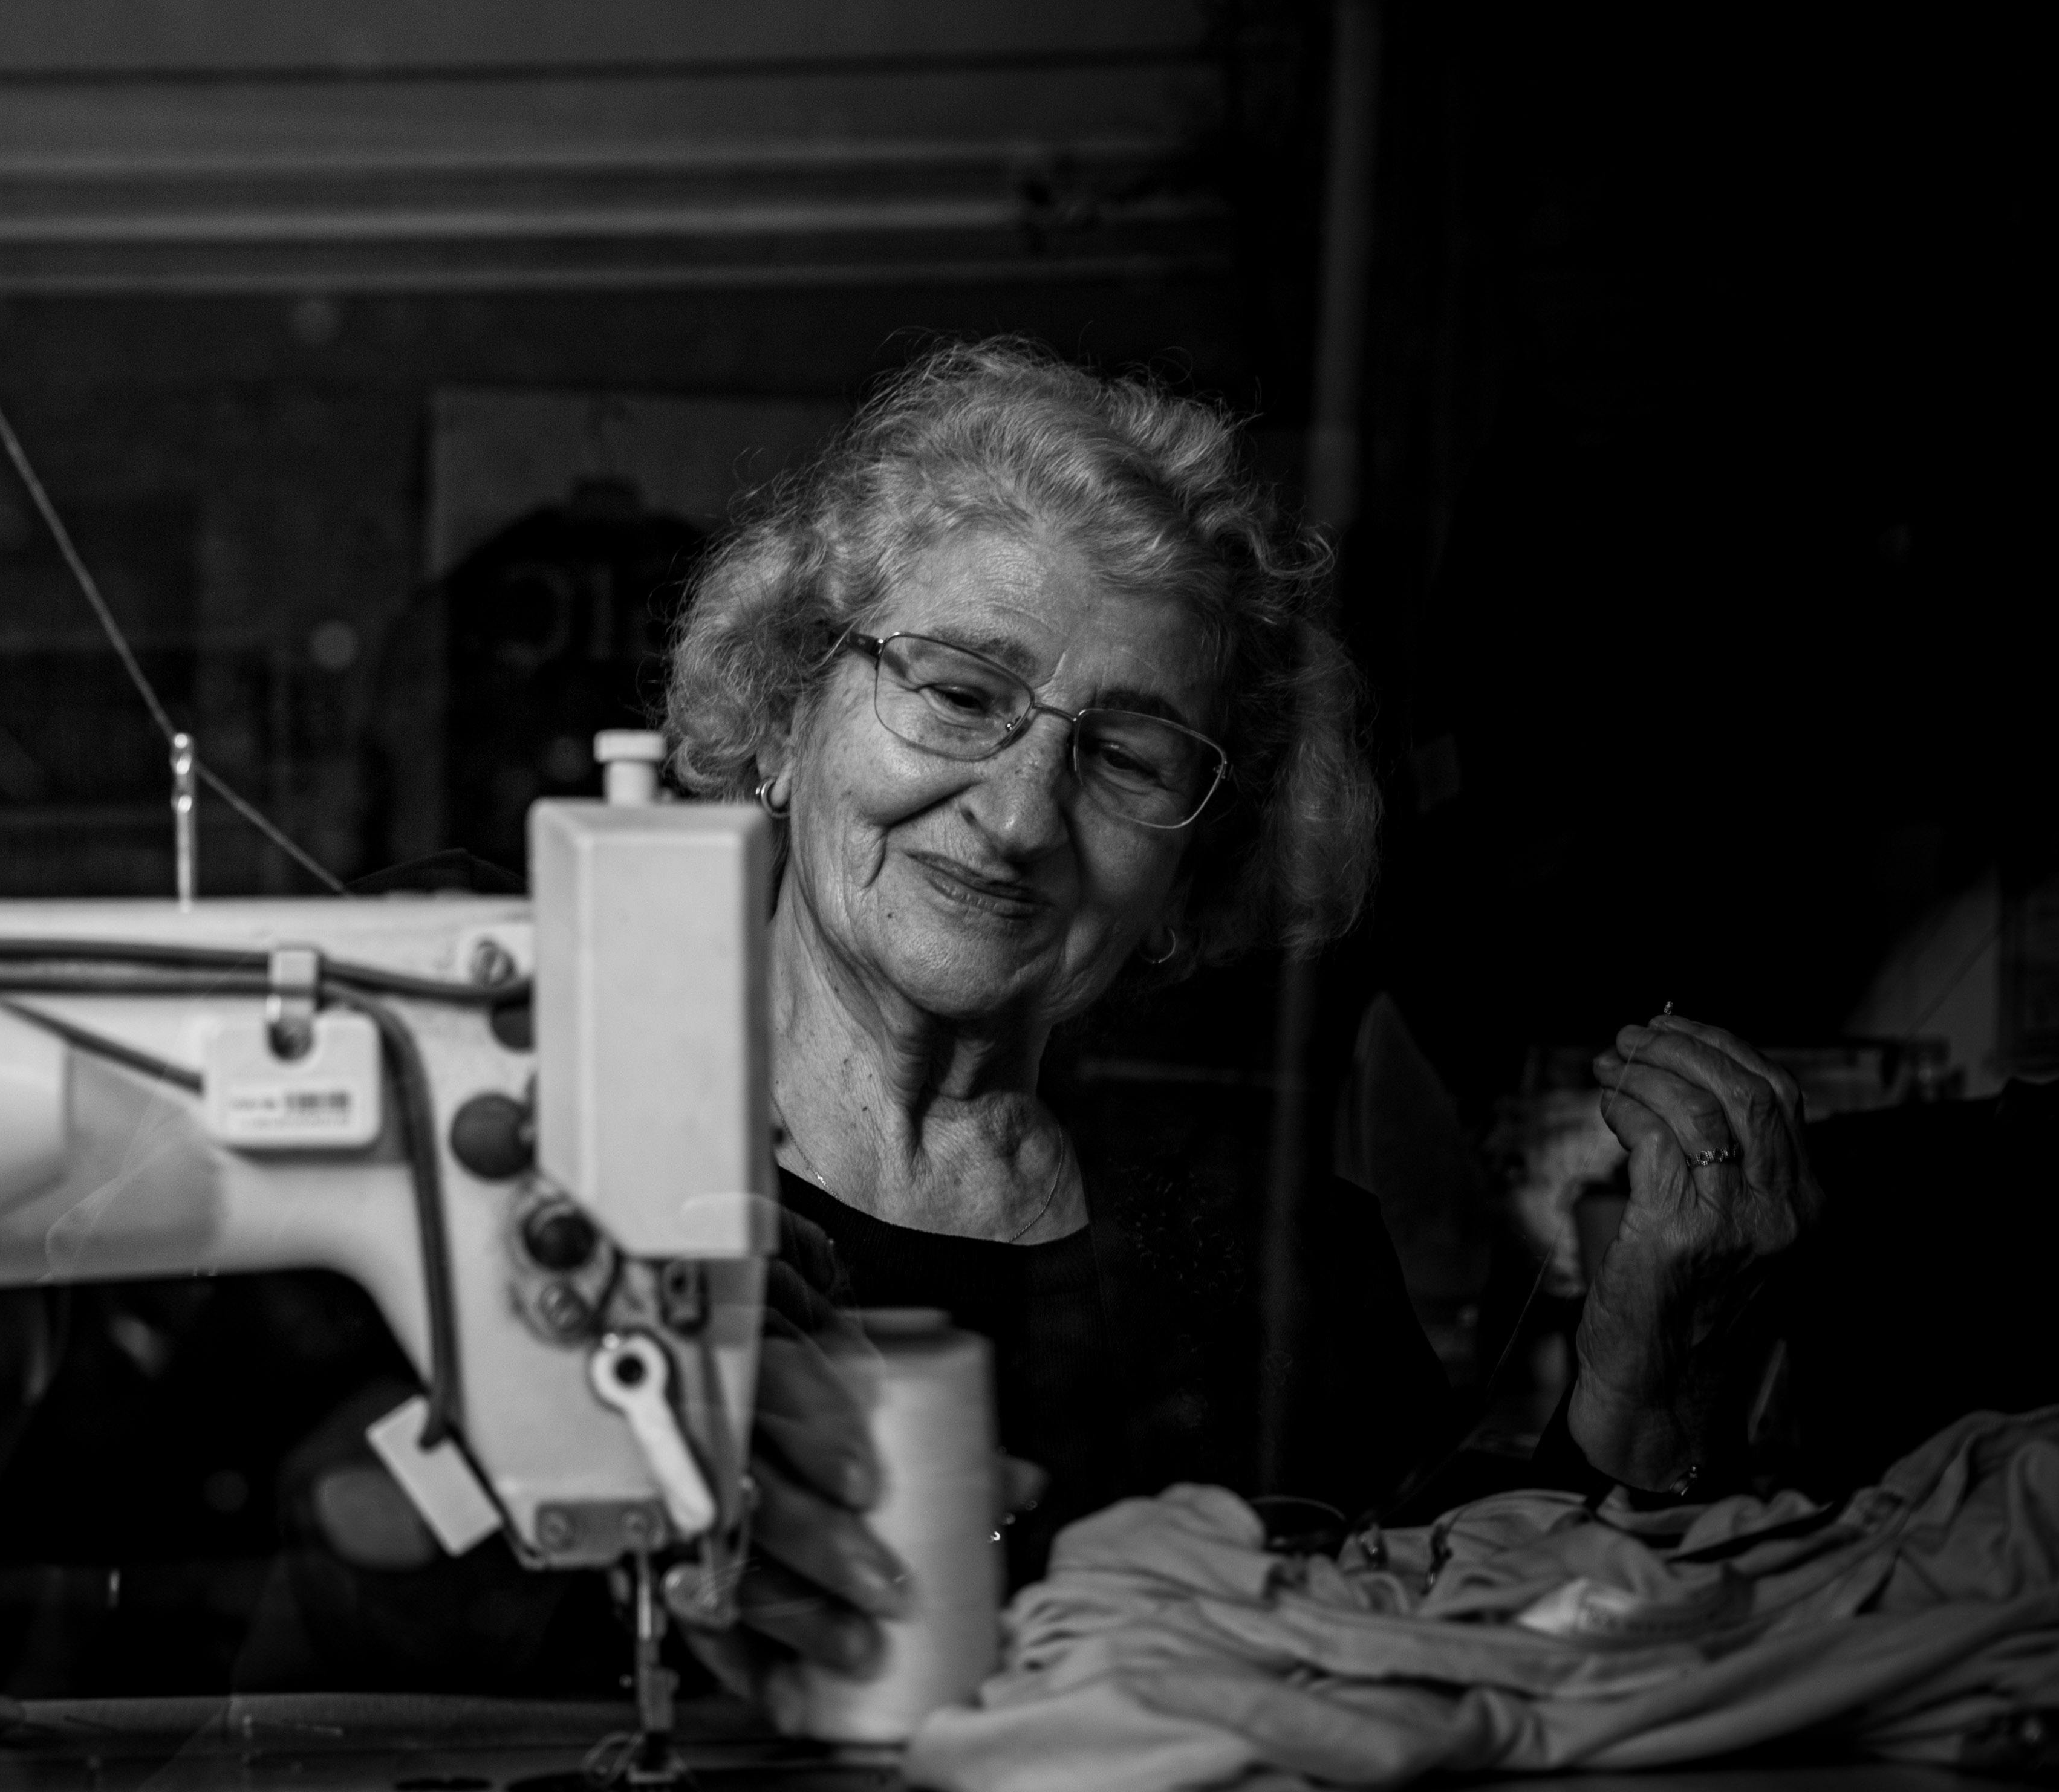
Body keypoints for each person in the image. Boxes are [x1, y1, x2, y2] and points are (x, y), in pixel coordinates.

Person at [654, 340, 1810, 1711]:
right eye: (961, 693)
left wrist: (1641, 1378)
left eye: (1128, 756)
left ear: (1192, 875)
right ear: (788, 717)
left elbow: (1463, 1650)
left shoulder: (1282, 1264)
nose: (1022, 816)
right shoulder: (548, 1173)